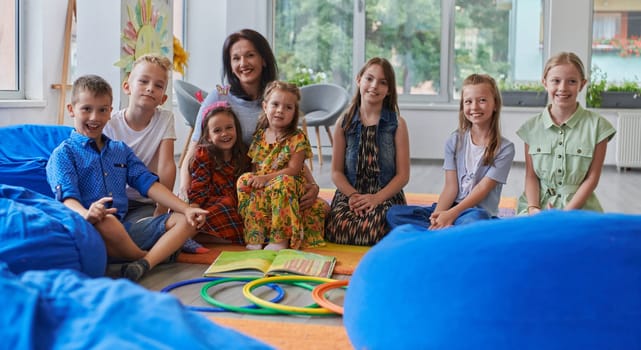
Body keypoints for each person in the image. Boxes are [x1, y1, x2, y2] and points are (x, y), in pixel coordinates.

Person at [46, 74, 208, 281]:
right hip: (89, 227)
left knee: (186, 221)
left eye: (102, 110)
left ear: (109, 113)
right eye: (86, 109)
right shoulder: (63, 154)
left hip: (125, 229)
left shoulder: (119, 149)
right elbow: (66, 198)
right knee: (107, 220)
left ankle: (142, 264)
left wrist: (186, 209)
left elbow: (148, 183)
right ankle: (152, 257)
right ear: (72, 110)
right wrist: (87, 213)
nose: (95, 117)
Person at [178, 29, 321, 213]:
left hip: (269, 182)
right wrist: (184, 189)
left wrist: (313, 185)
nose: (243, 63)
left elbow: (288, 148)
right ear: (230, 65)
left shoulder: (276, 100)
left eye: (250, 55)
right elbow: (194, 150)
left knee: (321, 210)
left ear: (264, 59)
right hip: (228, 184)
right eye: (236, 58)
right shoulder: (219, 96)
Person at [103, 54, 207, 254]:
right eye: (143, 81)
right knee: (111, 228)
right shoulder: (111, 123)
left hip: (145, 202)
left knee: (169, 221)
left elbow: (166, 165)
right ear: (127, 87)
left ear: (163, 98)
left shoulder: (165, 119)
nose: (150, 88)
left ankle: (138, 240)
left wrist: (160, 208)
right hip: (113, 201)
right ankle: (156, 243)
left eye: (158, 86)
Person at [386, 74, 515, 230]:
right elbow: (450, 187)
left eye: (482, 100)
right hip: (451, 208)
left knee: (474, 221)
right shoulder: (454, 141)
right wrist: (438, 216)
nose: (474, 107)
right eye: (468, 101)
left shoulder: (505, 148)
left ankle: (446, 233)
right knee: (394, 214)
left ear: (495, 104)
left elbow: (481, 190)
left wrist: (451, 214)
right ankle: (447, 233)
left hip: (476, 212)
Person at [324, 57, 410, 246]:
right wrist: (354, 197)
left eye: (382, 82)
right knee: (337, 227)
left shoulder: (397, 124)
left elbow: (403, 176)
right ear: (358, 80)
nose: (374, 86)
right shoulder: (343, 123)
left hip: (384, 195)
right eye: (369, 79)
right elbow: (336, 172)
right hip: (351, 194)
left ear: (389, 90)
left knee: (379, 228)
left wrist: (376, 199)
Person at [517, 52, 616, 214]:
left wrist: (564, 215)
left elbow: (592, 179)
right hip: (536, 207)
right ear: (545, 83)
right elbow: (531, 176)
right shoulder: (531, 128)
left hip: (579, 208)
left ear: (582, 85)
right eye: (555, 81)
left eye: (571, 81)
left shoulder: (598, 126)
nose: (563, 88)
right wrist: (533, 208)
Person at [237, 81, 326, 251]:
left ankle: (281, 240)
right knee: (244, 180)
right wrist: (256, 179)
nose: (280, 110)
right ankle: (256, 235)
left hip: (290, 184)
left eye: (288, 107)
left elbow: (293, 170)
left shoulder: (297, 138)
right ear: (265, 106)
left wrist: (264, 178)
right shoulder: (259, 137)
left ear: (294, 113)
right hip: (266, 183)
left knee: (283, 182)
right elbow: (256, 168)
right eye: (275, 104)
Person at [187, 102, 250, 243]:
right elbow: (199, 187)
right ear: (208, 136)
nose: (224, 134)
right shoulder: (204, 154)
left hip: (236, 205)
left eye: (229, 128)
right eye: (217, 130)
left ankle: (209, 236)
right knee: (225, 204)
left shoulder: (244, 153)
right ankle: (196, 235)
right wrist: (194, 209)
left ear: (236, 129)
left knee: (248, 216)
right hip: (209, 203)